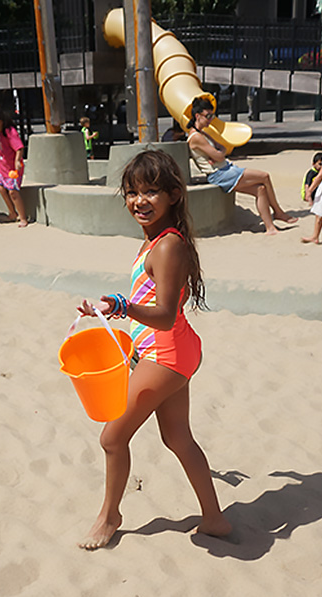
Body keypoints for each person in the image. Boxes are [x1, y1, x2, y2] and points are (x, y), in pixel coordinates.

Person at [76, 150, 232, 550]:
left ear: (175, 194)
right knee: (178, 438)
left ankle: (110, 516)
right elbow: (152, 298)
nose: (138, 201)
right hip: (168, 351)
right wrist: (114, 303)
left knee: (112, 439)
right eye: (131, 192)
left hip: (166, 353)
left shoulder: (167, 246)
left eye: (150, 192)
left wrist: (126, 308)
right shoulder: (156, 241)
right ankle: (214, 520)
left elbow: (164, 314)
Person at [186, 96, 297, 236]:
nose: (210, 119)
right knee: (264, 176)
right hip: (219, 174)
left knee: (261, 189)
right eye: (208, 116)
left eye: (212, 115)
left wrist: (218, 154)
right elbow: (220, 154)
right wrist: (218, 154)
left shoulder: (202, 133)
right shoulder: (196, 137)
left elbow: (223, 148)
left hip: (225, 169)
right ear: (197, 116)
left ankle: (270, 228)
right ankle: (279, 212)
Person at [0, 106, 28, 227]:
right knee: (1, 188)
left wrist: (18, 161)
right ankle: (12, 213)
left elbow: (19, 148)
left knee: (13, 192)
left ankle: (23, 217)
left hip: (13, 168)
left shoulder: (9, 132)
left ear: (0, 122)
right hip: (3, 168)